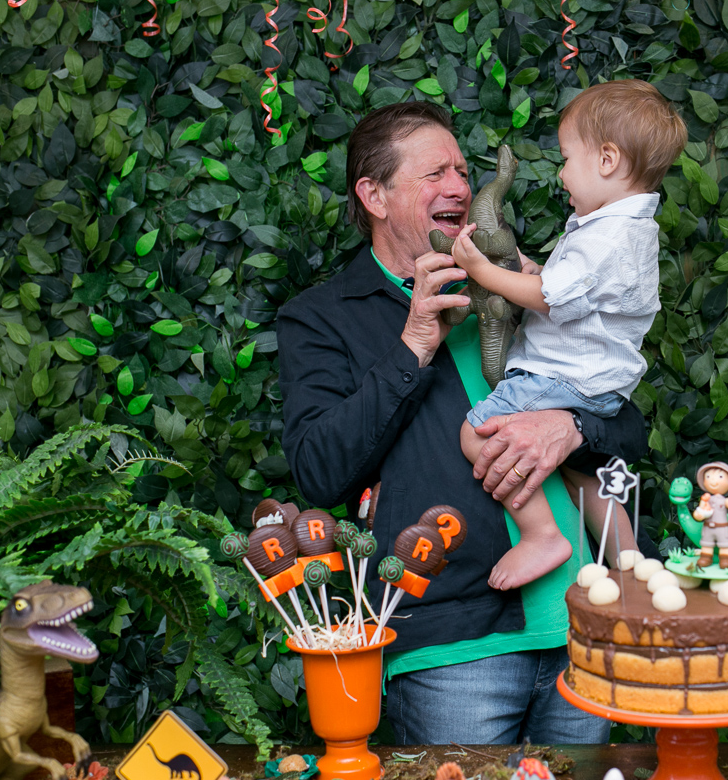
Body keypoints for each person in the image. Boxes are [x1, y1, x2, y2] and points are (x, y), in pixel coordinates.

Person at [277, 101, 649, 745]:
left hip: (583, 627)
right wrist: (415, 341)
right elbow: (319, 471)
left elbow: (626, 422)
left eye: (460, 171)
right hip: (451, 648)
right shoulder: (323, 318)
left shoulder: (524, 283)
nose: (459, 187)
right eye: (433, 175)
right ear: (374, 194)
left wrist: (572, 429)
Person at [448, 80, 687, 590]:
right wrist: (529, 269)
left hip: (563, 377)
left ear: (606, 159)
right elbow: (570, 291)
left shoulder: (604, 237)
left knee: (479, 434)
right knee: (585, 471)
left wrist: (480, 270)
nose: (561, 174)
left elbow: (549, 298)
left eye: (566, 159)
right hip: (601, 385)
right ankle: (630, 566)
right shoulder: (626, 229)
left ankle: (541, 536)